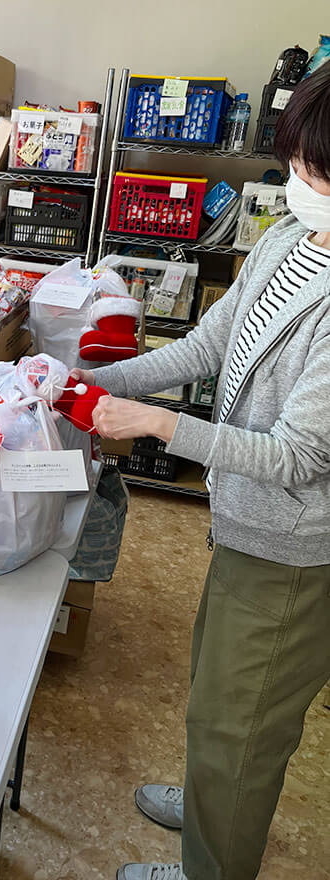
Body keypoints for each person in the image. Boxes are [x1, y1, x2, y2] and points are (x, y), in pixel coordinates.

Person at [81, 64, 330, 880]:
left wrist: (159, 424)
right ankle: (212, 798)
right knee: (220, 686)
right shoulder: (292, 240)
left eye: (317, 174)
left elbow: (299, 457)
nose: (300, 184)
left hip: (294, 547)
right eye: (295, 164)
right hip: (246, 517)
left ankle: (211, 865)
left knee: (245, 719)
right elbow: (205, 346)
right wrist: (96, 383)